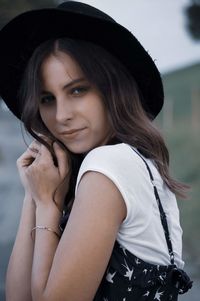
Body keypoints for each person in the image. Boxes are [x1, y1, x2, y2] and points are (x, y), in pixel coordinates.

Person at [0, 1, 192, 301]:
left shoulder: (111, 163)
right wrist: (35, 195)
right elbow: (17, 297)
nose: (61, 115)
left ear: (111, 88)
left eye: (77, 90)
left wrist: (48, 207)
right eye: (47, 98)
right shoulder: (129, 163)